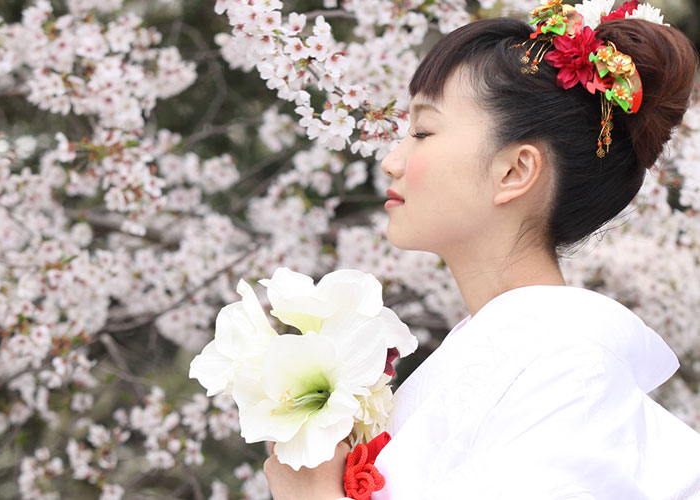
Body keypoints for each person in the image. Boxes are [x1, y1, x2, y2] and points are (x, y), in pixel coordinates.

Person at [263, 7, 700, 500]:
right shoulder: (513, 356)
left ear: (515, 171)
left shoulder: (566, 371)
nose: (391, 160)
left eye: (423, 132)